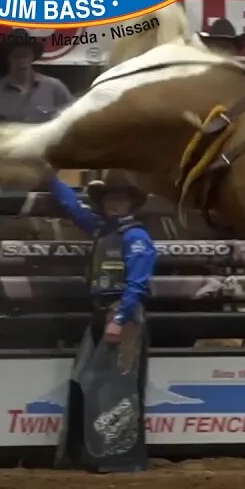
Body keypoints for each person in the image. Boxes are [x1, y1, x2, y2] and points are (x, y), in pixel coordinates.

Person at [51, 171, 156, 473]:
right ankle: (95, 453)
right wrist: (52, 179)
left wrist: (120, 318)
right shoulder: (102, 229)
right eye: (110, 198)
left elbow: (137, 283)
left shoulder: (136, 237)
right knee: (90, 380)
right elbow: (73, 207)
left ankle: (118, 456)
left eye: (119, 199)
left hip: (122, 315)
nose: (114, 203)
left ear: (130, 204)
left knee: (116, 384)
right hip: (104, 311)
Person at [0, 30, 74, 129]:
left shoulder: (55, 88)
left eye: (25, 55)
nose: (21, 60)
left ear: (32, 56)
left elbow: (73, 123)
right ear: (7, 58)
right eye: (16, 56)